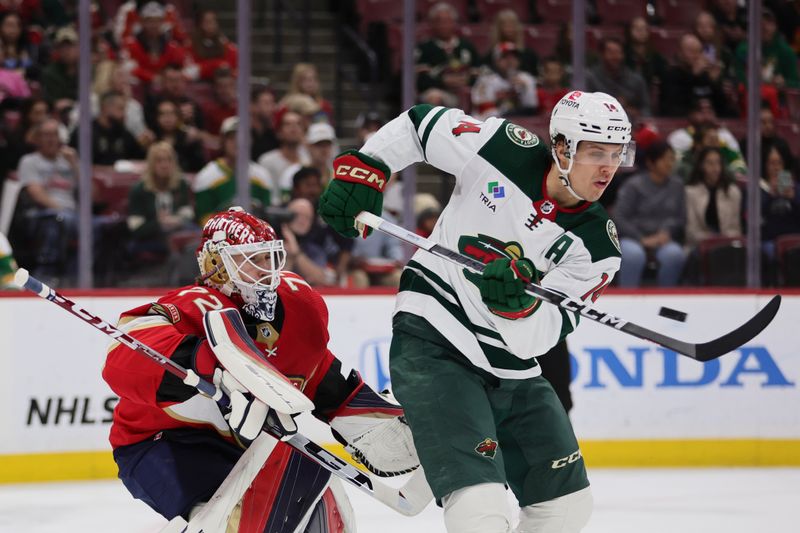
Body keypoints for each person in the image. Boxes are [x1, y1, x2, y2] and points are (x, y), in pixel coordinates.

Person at [318, 90, 635, 532]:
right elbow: (419, 125)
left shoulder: (597, 246)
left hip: (513, 367)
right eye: (595, 151)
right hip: (435, 336)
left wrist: (517, 307)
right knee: (480, 510)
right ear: (562, 147)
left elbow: (540, 337)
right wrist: (369, 167)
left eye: (618, 153)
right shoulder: (504, 146)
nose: (608, 167)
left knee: (567, 507)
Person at [102, 206, 418, 530]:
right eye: (251, 259)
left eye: (268, 258)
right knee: (238, 515)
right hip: (162, 444)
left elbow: (320, 377)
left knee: (320, 497)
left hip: (243, 451)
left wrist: (379, 420)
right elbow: (123, 356)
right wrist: (209, 366)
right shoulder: (195, 306)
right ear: (217, 264)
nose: (266, 270)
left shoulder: (298, 305)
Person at [614, 141, 686, 287]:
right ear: (651, 162)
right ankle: (627, 297)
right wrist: (641, 238)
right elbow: (619, 217)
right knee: (633, 255)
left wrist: (666, 232)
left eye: (672, 159)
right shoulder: (633, 185)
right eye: (665, 159)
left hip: (663, 238)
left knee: (675, 254)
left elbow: (680, 218)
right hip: (633, 238)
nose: (669, 163)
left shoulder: (677, 186)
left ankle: (667, 298)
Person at [193, 116, 271, 224]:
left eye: (243, 138)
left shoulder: (262, 176)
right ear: (223, 142)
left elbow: (267, 216)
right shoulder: (206, 177)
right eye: (232, 138)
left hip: (256, 237)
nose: (238, 143)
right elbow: (204, 219)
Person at [126, 141, 195, 259]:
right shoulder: (139, 190)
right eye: (159, 161)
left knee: (198, 235)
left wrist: (177, 220)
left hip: (177, 230)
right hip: (151, 238)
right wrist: (159, 223)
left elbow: (188, 214)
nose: (165, 165)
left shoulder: (180, 184)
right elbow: (136, 230)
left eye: (168, 160)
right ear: (151, 164)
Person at [416, 2, 479, 107]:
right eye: (439, 21)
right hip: (439, 92)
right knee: (434, 96)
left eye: (447, 21)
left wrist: (466, 80)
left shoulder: (466, 46)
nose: (443, 25)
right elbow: (420, 80)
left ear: (454, 23)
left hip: (466, 91)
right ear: (432, 24)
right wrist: (443, 81)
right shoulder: (425, 48)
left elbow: (479, 72)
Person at [684, 146, 742, 250]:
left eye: (718, 163)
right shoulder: (690, 192)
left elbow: (735, 228)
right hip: (700, 245)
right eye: (710, 163)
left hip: (727, 243)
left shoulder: (733, 192)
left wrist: (723, 239)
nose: (715, 168)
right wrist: (711, 239)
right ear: (701, 166)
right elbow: (691, 231)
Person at [471, 42, 538, 120]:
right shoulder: (486, 80)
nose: (510, 61)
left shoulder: (526, 79)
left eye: (514, 57)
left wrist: (525, 89)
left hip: (518, 123)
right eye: (505, 57)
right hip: (488, 123)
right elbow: (483, 108)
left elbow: (532, 108)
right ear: (496, 60)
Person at [586, 37, 651, 116]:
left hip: (630, 124)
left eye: (618, 52)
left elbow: (646, 109)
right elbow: (585, 107)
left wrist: (636, 113)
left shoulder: (636, 80)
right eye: (611, 52)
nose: (615, 56)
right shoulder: (590, 78)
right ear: (602, 55)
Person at [187, 8, 238, 81]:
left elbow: (229, 66)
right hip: (200, 79)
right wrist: (215, 65)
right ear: (200, 24)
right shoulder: (191, 43)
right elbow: (191, 71)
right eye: (207, 22)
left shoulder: (223, 42)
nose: (211, 25)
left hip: (221, 80)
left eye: (213, 21)